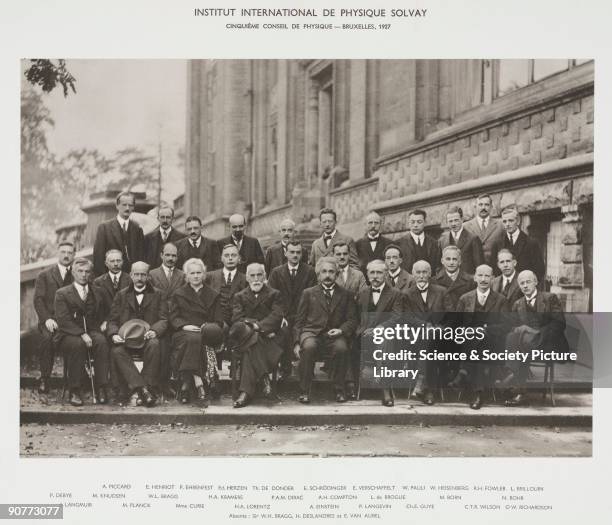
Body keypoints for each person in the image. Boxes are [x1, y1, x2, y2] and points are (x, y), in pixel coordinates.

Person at [293, 257, 358, 403]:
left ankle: (339, 390)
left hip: (334, 335)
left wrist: (341, 330)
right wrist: (297, 342)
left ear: (337, 274)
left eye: (331, 272)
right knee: (308, 347)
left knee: (342, 348)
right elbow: (299, 321)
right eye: (324, 272)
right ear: (318, 274)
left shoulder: (346, 295)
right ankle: (304, 391)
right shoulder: (308, 293)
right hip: (311, 333)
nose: (327, 275)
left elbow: (352, 320)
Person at [501, 270, 569, 407]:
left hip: (549, 344)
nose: (525, 285)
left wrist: (535, 332)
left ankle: (513, 376)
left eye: (528, 282)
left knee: (519, 345)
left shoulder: (550, 298)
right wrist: (522, 331)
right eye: (522, 283)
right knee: (514, 337)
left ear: (536, 282)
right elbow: (513, 327)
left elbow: (559, 324)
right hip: (526, 346)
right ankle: (519, 387)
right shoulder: (518, 304)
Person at [107, 261, 167, 407]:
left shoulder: (159, 294)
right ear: (131, 276)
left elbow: (164, 319)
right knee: (116, 351)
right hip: (127, 339)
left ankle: (145, 387)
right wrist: (114, 334)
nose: (139, 278)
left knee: (155, 344)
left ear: (148, 276)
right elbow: (112, 320)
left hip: (147, 338)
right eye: (136, 274)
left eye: (143, 275)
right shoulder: (121, 295)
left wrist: (154, 330)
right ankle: (143, 389)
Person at [54, 258, 110, 406]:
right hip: (69, 333)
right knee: (77, 345)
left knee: (102, 342)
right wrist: (81, 333)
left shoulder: (97, 292)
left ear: (91, 273)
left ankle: (101, 386)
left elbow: (107, 312)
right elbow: (63, 320)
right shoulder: (62, 293)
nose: (84, 275)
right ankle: (75, 389)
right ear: (73, 272)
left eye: (87, 271)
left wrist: (105, 321)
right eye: (80, 271)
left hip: (92, 330)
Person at [168, 258, 224, 406]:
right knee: (193, 339)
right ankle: (198, 383)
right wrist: (184, 326)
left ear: (204, 274)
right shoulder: (178, 294)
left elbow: (219, 320)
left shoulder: (213, 294)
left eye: (199, 272)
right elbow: (173, 317)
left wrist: (207, 326)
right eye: (192, 273)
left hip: (205, 333)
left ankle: (186, 384)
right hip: (183, 332)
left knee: (196, 339)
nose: (196, 276)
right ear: (186, 276)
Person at [229, 263, 285, 408]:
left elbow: (276, 316)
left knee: (251, 347)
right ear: (247, 278)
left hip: (268, 341)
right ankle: (264, 378)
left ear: (265, 276)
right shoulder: (239, 296)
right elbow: (237, 319)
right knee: (253, 341)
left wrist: (255, 326)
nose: (256, 279)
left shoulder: (275, 294)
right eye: (252, 276)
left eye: (259, 275)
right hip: (258, 337)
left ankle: (245, 393)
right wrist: (258, 327)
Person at [454, 264, 509, 410]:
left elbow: (505, 326)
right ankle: (478, 392)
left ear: (492, 279)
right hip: (466, 342)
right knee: (475, 343)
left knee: (480, 342)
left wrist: (485, 329)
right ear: (475, 277)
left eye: (487, 276)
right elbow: (457, 324)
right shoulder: (465, 299)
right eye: (480, 275)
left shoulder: (501, 300)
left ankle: (464, 372)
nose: (483, 279)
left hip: (493, 342)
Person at [353, 259, 404, 406]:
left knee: (384, 340)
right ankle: (351, 385)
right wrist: (360, 331)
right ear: (367, 274)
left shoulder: (395, 294)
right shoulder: (361, 293)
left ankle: (385, 388)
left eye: (379, 272)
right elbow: (355, 317)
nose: (375, 276)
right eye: (372, 272)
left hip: (385, 334)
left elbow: (397, 317)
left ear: (386, 274)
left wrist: (378, 329)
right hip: (363, 335)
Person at [267, 240, 317, 378]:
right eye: (292, 252)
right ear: (285, 253)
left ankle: (306, 370)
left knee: (305, 334)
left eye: (298, 252)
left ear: (302, 254)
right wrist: (279, 316)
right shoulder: (276, 272)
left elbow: (314, 297)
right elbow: (271, 297)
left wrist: (306, 317)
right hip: (283, 315)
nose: (295, 255)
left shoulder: (309, 272)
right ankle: (285, 368)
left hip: (304, 315)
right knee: (283, 330)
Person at [33, 241, 75, 394]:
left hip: (71, 322)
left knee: (77, 341)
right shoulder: (45, 275)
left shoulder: (78, 274)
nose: (66, 255)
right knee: (47, 339)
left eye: (69, 252)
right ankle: (45, 378)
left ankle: (75, 380)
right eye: (63, 252)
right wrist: (46, 319)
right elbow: (38, 299)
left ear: (74, 255)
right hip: (50, 320)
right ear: (58, 254)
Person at [404, 260, 448, 406]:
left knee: (431, 343)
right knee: (427, 342)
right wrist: (426, 326)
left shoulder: (441, 291)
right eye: (418, 272)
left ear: (430, 274)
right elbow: (407, 317)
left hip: (440, 336)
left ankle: (421, 382)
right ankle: (428, 390)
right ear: (413, 274)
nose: (422, 275)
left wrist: (441, 327)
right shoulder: (407, 294)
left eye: (425, 272)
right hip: (415, 336)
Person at [148, 242, 185, 396]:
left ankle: (176, 382)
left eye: (174, 255)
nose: (171, 258)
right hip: (158, 319)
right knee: (160, 346)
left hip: (176, 320)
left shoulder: (182, 275)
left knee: (177, 346)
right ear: (161, 255)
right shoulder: (152, 274)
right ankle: (157, 383)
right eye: (168, 255)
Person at [489, 206, 546, 283]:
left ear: (518, 221)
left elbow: (539, 271)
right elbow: (494, 270)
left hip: (523, 289)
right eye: (504, 221)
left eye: (510, 220)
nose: (507, 224)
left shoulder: (531, 243)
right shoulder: (497, 244)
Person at [93, 191, 145, 276]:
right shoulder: (104, 228)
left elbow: (141, 257)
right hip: (110, 278)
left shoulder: (137, 229)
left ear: (133, 207)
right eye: (124, 205)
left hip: (132, 279)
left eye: (130, 205)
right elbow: (98, 259)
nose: (127, 208)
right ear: (117, 206)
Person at [92, 249, 131, 333]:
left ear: (123, 262)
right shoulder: (98, 282)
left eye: (118, 260)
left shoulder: (130, 280)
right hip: (106, 322)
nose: (116, 264)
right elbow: (99, 307)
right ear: (106, 263)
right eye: (112, 261)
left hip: (127, 321)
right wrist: (105, 321)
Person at [438, 206, 484, 275]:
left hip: (467, 282)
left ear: (462, 219)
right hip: (448, 283)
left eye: (456, 220)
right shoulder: (442, 240)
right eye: (450, 221)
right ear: (447, 223)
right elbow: (439, 265)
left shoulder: (473, 239)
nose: (453, 224)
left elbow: (479, 266)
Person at [397, 209, 441, 274]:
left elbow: (438, 266)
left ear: (425, 222)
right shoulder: (399, 243)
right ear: (408, 223)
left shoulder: (434, 243)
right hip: (408, 282)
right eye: (412, 222)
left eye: (419, 222)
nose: (415, 225)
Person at [463, 194, 504, 263]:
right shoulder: (465, 226)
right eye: (480, 205)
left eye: (486, 205)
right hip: (473, 270)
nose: (483, 208)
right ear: (475, 207)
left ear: (491, 207)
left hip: (495, 269)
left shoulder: (501, 225)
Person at [433, 245, 476, 311]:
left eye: (454, 259)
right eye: (448, 259)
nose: (451, 262)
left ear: (460, 261)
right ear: (442, 261)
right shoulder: (434, 281)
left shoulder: (471, 281)